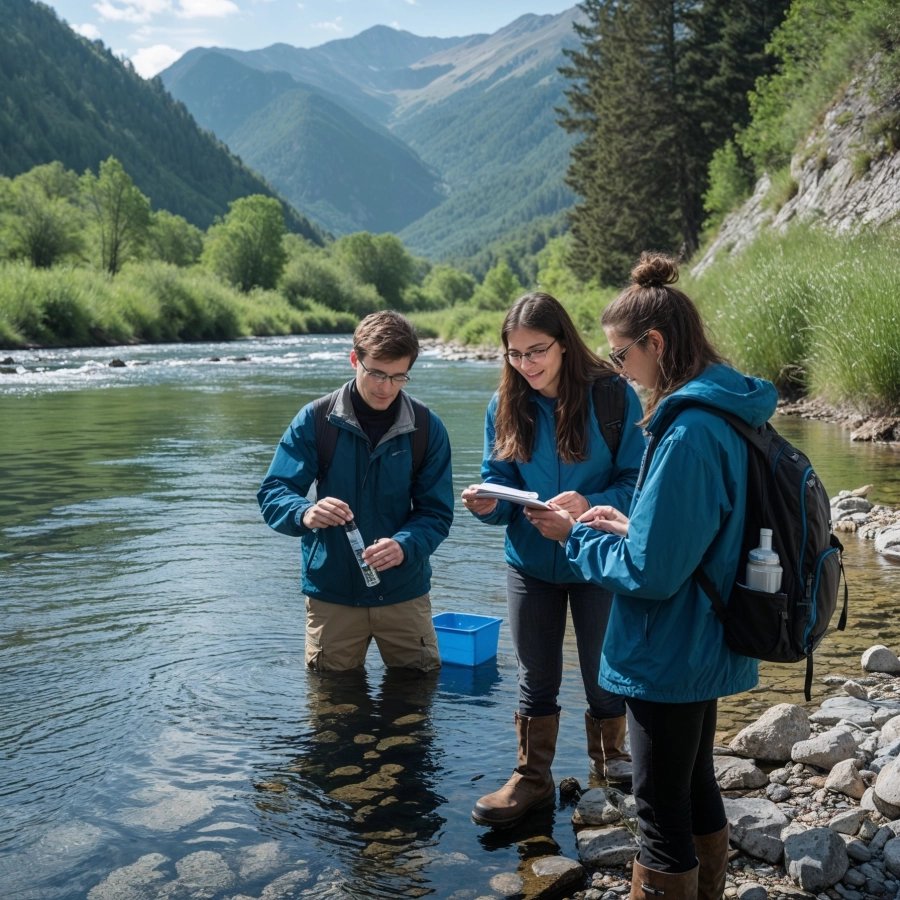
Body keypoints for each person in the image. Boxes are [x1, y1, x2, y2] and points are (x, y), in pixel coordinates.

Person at [525, 254, 778, 900]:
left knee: (659, 808)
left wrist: (578, 536)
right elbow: (695, 529)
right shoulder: (728, 410)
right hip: (709, 635)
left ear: (655, 344)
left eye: (620, 356)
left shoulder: (688, 431)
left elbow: (651, 573)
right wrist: (628, 519)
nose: (617, 369)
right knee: (694, 784)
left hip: (667, 648)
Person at [461, 292, 646, 829]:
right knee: (535, 675)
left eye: (536, 351)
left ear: (564, 343)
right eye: (515, 354)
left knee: (604, 674)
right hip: (530, 563)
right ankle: (532, 779)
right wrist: (489, 505)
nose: (526, 365)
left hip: (598, 559)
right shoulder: (504, 404)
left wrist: (589, 503)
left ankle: (612, 771)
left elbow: (637, 481)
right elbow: (501, 489)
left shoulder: (613, 396)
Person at [257, 310, 454, 673]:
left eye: (398, 377)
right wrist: (304, 512)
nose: (386, 387)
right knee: (332, 711)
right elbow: (274, 491)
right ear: (354, 360)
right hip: (333, 595)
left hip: (403, 593)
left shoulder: (427, 428)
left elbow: (437, 512)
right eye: (376, 373)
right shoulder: (315, 420)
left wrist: (404, 545)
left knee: (415, 703)